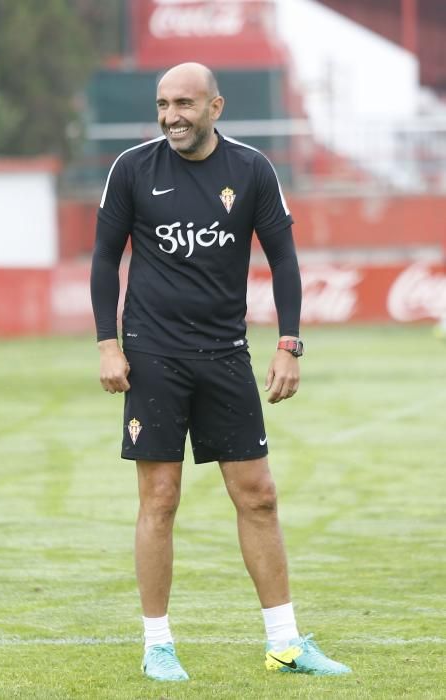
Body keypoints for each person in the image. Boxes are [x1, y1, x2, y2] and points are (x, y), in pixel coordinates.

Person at [90, 62, 351, 682]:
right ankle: (158, 646)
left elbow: (284, 259)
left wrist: (290, 342)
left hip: (226, 355)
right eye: (162, 104)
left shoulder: (253, 170)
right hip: (153, 356)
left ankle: (285, 643)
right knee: (160, 498)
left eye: (184, 102)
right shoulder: (132, 168)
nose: (170, 115)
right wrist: (108, 343)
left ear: (216, 107)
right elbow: (104, 261)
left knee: (258, 496)